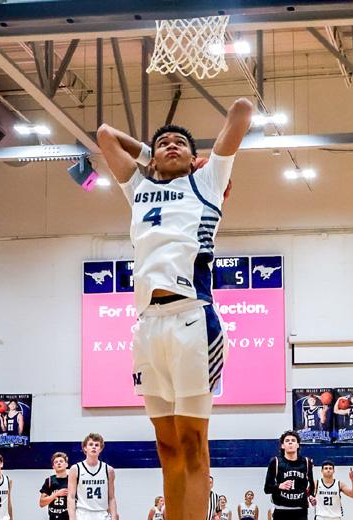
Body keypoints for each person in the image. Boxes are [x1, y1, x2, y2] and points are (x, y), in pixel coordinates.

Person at [97, 96, 252, 520]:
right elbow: (106, 136)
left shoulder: (208, 181)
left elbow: (241, 110)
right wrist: (151, 154)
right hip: (148, 325)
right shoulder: (139, 188)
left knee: (192, 443)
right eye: (163, 143)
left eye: (179, 143)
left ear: (193, 157)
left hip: (192, 319)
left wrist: (200, 159)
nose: (171, 145)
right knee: (166, 446)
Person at [264, 430, 315, 520]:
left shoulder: (307, 462)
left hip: (301, 511)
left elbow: (311, 485)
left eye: (293, 440)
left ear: (298, 445)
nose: (290, 442)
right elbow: (267, 488)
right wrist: (279, 486)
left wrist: (311, 496)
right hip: (281, 510)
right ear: (282, 446)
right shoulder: (275, 461)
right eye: (287, 441)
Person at [67, 433, 118, 520]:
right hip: (82, 514)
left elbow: (111, 498)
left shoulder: (109, 470)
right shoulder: (75, 469)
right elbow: (71, 497)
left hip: (102, 514)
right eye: (91, 444)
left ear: (101, 449)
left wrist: (114, 517)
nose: (94, 447)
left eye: (97, 445)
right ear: (85, 448)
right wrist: (72, 518)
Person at [40, 452, 69, 520]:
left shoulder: (72, 480)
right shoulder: (49, 480)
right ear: (53, 466)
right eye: (56, 462)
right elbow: (41, 503)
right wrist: (56, 494)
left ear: (66, 464)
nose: (59, 463)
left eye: (61, 461)